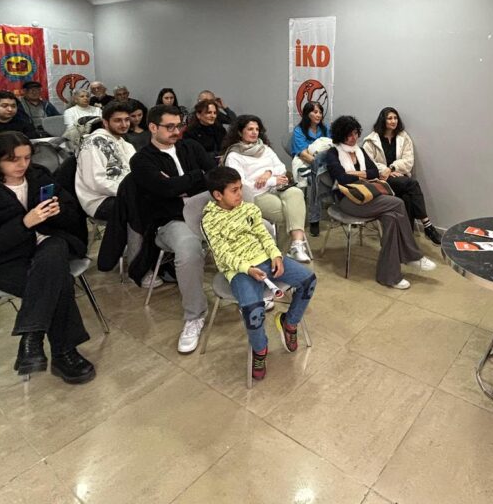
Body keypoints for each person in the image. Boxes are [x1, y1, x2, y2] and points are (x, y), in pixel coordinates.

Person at [0, 132, 95, 384]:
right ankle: (64, 354)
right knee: (58, 281)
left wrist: (58, 212)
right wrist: (24, 223)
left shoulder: (39, 177)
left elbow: (72, 212)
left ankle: (32, 337)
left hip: (47, 247)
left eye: (27, 157)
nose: (22, 165)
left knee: (54, 250)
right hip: (3, 261)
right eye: (13, 159)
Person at [202, 166, 316, 382]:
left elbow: (264, 236)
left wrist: (276, 256)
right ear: (218, 195)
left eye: (240, 188)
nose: (240, 194)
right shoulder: (209, 219)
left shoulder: (249, 209)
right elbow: (222, 254)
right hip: (240, 270)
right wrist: (247, 269)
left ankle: (289, 323)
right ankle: (260, 350)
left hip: (266, 260)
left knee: (308, 280)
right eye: (234, 190)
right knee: (254, 312)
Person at [130, 104, 215, 353]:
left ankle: (252, 292)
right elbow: (165, 190)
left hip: (206, 212)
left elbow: (214, 175)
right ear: (152, 127)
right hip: (170, 221)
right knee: (188, 249)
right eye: (169, 127)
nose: (176, 131)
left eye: (179, 126)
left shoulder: (191, 147)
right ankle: (195, 315)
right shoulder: (141, 160)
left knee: (259, 226)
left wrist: (181, 185)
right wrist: (196, 177)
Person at [324, 115, 435, 289]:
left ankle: (389, 276)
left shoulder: (360, 151)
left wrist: (356, 174)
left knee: (391, 217)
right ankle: (412, 255)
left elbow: (375, 172)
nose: (354, 138)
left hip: (367, 195)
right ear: (340, 135)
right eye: (349, 135)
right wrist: (362, 175)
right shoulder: (333, 153)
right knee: (397, 203)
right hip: (347, 200)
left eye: (355, 133)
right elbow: (342, 178)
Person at [223, 115, 312, 263]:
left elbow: (281, 167)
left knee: (296, 193)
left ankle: (296, 245)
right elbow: (242, 185)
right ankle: (282, 254)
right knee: (288, 214)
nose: (254, 132)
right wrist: (272, 180)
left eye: (257, 129)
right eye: (250, 129)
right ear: (240, 132)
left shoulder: (264, 148)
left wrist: (268, 173)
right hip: (256, 195)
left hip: (277, 187)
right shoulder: (234, 156)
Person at [362, 106, 442, 245]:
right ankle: (427, 225)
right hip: (381, 180)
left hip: (399, 177)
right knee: (412, 184)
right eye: (389, 118)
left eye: (395, 118)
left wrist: (392, 167)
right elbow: (369, 163)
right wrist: (386, 171)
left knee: (407, 197)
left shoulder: (403, 137)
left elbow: (409, 161)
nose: (393, 121)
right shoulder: (371, 140)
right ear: (383, 120)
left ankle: (406, 238)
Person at [75, 101, 136, 221]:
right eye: (118, 120)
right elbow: (96, 182)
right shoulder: (93, 143)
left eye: (127, 120)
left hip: (125, 193)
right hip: (99, 200)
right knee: (144, 206)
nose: (124, 124)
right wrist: (131, 192)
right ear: (105, 122)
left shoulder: (127, 145)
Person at [290, 101, 331, 236]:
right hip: (308, 163)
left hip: (325, 162)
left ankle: (347, 208)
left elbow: (331, 146)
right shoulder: (299, 131)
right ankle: (314, 219)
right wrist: (317, 162)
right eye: (315, 112)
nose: (318, 115)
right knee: (315, 179)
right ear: (307, 114)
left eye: (320, 112)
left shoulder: (325, 129)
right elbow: (303, 154)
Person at [183, 99, 226, 165]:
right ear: (198, 115)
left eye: (215, 113)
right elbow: (191, 155)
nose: (213, 116)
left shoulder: (220, 129)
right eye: (209, 112)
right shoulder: (190, 132)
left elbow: (226, 147)